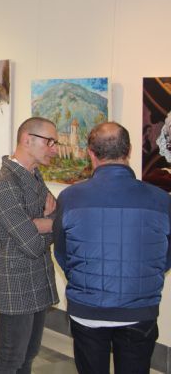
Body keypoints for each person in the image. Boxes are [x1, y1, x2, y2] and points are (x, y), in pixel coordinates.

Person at [54, 122, 171, 374]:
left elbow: (62, 253)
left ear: (91, 153)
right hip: (139, 311)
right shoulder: (161, 200)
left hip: (88, 310)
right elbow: (165, 256)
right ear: (128, 150)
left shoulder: (70, 198)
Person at [0, 117, 59, 374]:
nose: (54, 149)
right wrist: (50, 223)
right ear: (27, 140)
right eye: (49, 142)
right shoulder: (5, 184)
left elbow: (54, 216)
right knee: (11, 359)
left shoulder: (34, 176)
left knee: (28, 356)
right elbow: (32, 244)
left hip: (37, 279)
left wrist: (42, 223)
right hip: (16, 283)